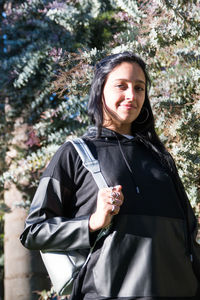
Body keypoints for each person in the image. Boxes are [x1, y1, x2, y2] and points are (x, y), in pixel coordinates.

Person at [20, 52, 200, 300]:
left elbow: (189, 237)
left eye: (139, 88)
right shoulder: (74, 154)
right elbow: (34, 232)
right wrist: (93, 222)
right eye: (121, 86)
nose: (131, 96)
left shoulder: (161, 158)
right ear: (100, 90)